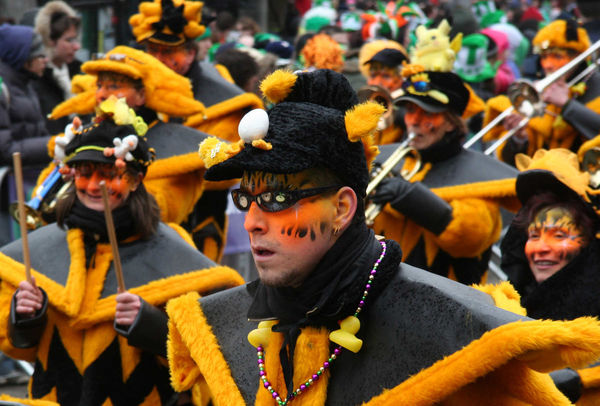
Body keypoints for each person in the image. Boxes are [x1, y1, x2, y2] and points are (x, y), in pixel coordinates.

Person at [164, 68, 600, 405]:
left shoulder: (456, 336)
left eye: (278, 198)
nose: (252, 222)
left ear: (342, 208)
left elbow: (469, 236)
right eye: (247, 199)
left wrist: (413, 198)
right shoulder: (223, 320)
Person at [0, 99, 243, 405]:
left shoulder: (174, 252)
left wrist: (152, 326)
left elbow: (206, 356)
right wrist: (25, 318)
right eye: (84, 173)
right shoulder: (38, 249)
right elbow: (22, 349)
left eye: (109, 173)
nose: (94, 185)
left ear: (137, 179)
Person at [40, 46, 226, 261]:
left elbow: (163, 210)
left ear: (141, 95)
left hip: (149, 258)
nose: (101, 94)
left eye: (114, 86)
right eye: (99, 86)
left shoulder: (180, 145)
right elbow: (44, 199)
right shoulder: (86, 135)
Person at [369, 64, 518, 285]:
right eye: (410, 111)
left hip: (438, 302)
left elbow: (471, 237)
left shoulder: (479, 174)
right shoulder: (385, 157)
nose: (415, 121)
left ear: (450, 123)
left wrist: (410, 198)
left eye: (428, 113)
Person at [488, 148, 600, 403]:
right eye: (534, 235)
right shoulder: (505, 304)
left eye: (559, 235)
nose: (540, 248)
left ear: (588, 245)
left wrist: (580, 377)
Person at [485, 18, 600, 166]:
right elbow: (513, 163)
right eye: (544, 57)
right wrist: (519, 139)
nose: (548, 65)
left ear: (577, 57)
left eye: (557, 57)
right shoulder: (540, 91)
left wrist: (567, 105)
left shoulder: (596, 86)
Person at [0, 24, 49, 245]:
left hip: (27, 187)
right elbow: (4, 149)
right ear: (23, 58)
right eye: (39, 54)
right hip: (7, 196)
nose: (45, 59)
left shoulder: (26, 83)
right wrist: (51, 145)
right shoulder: (4, 88)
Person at [33, 1, 82, 135]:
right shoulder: (36, 78)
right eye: (69, 40)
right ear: (50, 41)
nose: (76, 46)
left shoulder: (79, 73)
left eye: (76, 39)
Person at [359, 47, 408, 144]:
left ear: (402, 78)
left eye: (386, 76)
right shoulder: (365, 103)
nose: (377, 82)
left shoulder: (408, 109)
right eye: (373, 75)